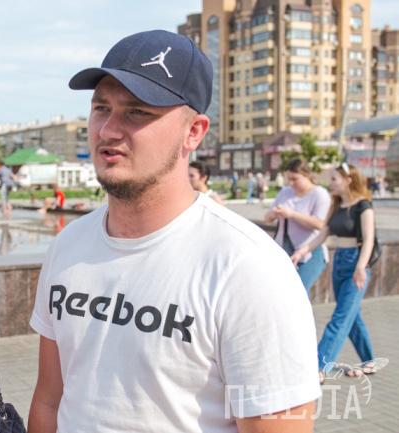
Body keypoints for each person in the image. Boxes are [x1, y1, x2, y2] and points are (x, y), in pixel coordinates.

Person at [27, 30, 318, 433]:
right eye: (101, 108)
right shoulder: (68, 246)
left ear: (194, 132)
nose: (108, 130)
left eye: (137, 112)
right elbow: (48, 401)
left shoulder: (248, 267)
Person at [292, 163, 382, 382]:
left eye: (334, 179)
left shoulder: (363, 206)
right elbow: (322, 234)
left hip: (357, 263)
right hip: (339, 261)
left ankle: (319, 366)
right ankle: (369, 360)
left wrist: (360, 267)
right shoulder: (337, 205)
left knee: (340, 317)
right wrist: (302, 251)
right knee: (352, 315)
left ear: (348, 180)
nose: (330, 183)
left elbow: (368, 240)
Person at [264, 158, 330, 294]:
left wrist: (292, 214)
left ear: (307, 175)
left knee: (299, 291)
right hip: (285, 249)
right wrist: (274, 213)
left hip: (310, 250)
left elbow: (319, 224)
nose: (291, 183)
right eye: (288, 179)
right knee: (282, 292)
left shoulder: (319, 194)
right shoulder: (285, 192)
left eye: (295, 179)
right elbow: (267, 219)